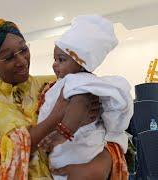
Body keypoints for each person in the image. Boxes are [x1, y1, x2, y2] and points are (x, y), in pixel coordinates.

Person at [0, 19, 123, 180]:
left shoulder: (58, 83)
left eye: (23, 50)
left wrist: (101, 164)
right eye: (9, 57)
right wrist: (52, 120)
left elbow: (111, 129)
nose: (21, 61)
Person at [37, 15, 132, 180]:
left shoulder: (78, 81)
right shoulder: (67, 81)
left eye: (61, 59)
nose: (54, 64)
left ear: (82, 63)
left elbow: (80, 105)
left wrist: (62, 134)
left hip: (78, 146)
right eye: (54, 59)